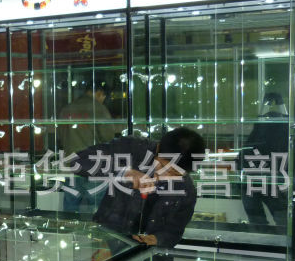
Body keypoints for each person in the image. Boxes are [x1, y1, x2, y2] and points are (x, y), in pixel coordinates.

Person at [75, 127, 206, 248]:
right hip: (107, 240)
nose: (163, 175)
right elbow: (78, 161)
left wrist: (157, 239)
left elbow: (174, 231)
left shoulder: (186, 190)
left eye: (174, 174)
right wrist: (124, 172)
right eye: (162, 165)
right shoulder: (134, 148)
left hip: (148, 255)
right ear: (158, 148)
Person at [59, 77, 124, 213]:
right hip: (94, 166)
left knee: (70, 209)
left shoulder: (67, 108)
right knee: (97, 209)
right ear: (99, 93)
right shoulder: (99, 109)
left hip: (70, 165)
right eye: (104, 97)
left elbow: (60, 136)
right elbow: (108, 138)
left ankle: (67, 227)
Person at [240, 92, 289, 228]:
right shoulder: (283, 136)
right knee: (283, 222)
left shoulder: (257, 135)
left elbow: (241, 158)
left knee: (258, 222)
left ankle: (263, 238)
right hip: (272, 182)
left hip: (255, 182)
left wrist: (266, 105)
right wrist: (280, 104)